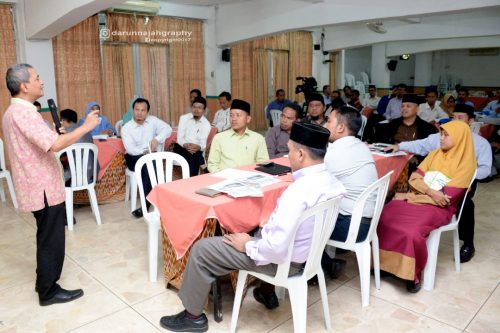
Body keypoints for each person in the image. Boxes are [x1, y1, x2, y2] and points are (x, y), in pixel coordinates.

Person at [158, 122, 346, 332]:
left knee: (202, 250)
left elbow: (274, 249)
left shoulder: (297, 192)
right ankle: (266, 291)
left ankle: (192, 317)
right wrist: (270, 225)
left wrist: (247, 245)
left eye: (290, 150)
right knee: (256, 228)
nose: (288, 154)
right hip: (309, 257)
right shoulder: (332, 181)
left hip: (284, 262)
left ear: (301, 154)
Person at [2, 63, 100, 306]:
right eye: (37, 78)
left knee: (46, 235)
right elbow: (55, 146)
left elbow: (50, 142)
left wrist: (59, 135)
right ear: (24, 86)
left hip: (37, 185)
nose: (41, 81)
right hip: (42, 186)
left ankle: (42, 281)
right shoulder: (23, 113)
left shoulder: (13, 112)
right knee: (51, 239)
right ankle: (48, 291)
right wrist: (86, 127)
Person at [383, 104, 492, 263]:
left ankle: (468, 243)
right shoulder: (441, 137)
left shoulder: (481, 144)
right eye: (454, 117)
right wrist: (399, 146)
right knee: (412, 195)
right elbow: (419, 145)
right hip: (433, 179)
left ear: (471, 121)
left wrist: (464, 173)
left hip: (461, 181)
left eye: (460, 118)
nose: (456, 121)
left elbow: (485, 170)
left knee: (466, 203)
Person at [377, 120, 476, 293]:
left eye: (446, 135)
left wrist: (416, 193)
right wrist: (430, 192)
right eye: (441, 134)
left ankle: (410, 274)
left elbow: (447, 198)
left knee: (411, 231)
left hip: (439, 209)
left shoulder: (466, 163)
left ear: (459, 138)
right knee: (382, 217)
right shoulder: (435, 154)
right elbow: (414, 178)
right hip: (421, 199)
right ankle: (385, 265)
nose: (441, 138)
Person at [321, 105, 378, 278]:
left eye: (329, 121)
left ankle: (322, 267)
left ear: (340, 127)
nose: (324, 125)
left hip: (352, 226)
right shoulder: (360, 146)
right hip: (367, 222)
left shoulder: (336, 153)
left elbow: (312, 182)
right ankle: (324, 266)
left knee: (301, 224)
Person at [121, 97, 172, 218]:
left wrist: (156, 139)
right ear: (132, 110)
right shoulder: (126, 128)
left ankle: (149, 202)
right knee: (147, 164)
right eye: (137, 109)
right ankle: (148, 202)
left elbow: (168, 129)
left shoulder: (153, 120)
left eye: (143, 110)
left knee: (150, 164)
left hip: (150, 156)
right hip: (134, 157)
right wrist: (147, 152)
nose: (139, 112)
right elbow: (131, 150)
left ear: (147, 112)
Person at [207, 99, 269, 173]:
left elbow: (263, 163)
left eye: (238, 115)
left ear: (248, 119)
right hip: (224, 180)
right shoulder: (219, 138)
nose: (234, 119)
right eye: (231, 115)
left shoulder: (258, 138)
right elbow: (212, 164)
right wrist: (222, 178)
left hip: (250, 180)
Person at [173, 96, 211, 177]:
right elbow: (180, 138)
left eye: (200, 108)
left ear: (204, 110)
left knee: (191, 157)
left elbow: (203, 143)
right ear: (191, 108)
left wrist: (197, 146)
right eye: (194, 107)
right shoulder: (183, 118)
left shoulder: (206, 124)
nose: (196, 110)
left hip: (195, 150)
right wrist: (185, 145)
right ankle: (203, 166)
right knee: (193, 155)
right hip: (181, 147)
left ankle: (190, 180)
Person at [59, 108, 98, 184]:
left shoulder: (65, 133)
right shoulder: (84, 130)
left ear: (63, 120)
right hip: (93, 172)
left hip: (75, 174)